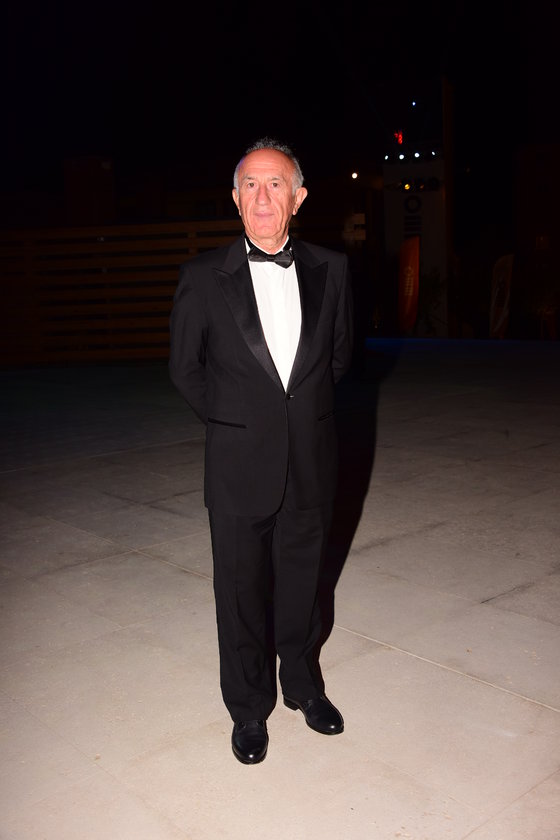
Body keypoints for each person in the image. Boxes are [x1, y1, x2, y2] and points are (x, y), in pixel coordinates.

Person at [169, 137, 354, 764]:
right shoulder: (201, 277)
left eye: (276, 183)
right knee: (240, 593)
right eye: (250, 184)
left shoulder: (333, 270)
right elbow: (185, 370)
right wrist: (237, 424)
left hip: (311, 460)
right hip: (237, 465)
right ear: (235, 198)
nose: (263, 196)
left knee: (304, 585)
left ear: (298, 198)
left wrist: (297, 419)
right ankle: (248, 708)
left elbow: (337, 360)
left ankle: (303, 686)